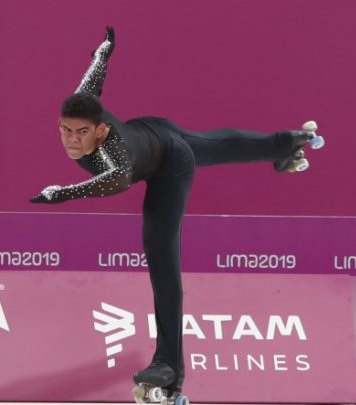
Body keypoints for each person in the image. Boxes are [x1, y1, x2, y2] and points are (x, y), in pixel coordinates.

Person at [30, 27, 317, 396]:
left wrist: (62, 194)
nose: (72, 140)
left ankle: (169, 367)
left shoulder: (111, 152)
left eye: (81, 132)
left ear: (100, 132)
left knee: (160, 251)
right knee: (215, 145)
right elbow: (93, 79)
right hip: (152, 130)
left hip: (167, 162)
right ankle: (287, 145)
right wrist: (102, 52)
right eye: (65, 130)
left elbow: (117, 181)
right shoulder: (82, 105)